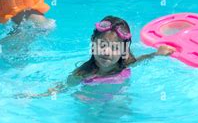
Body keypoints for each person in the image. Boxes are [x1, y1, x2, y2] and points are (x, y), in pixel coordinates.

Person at [16, 16, 175, 98]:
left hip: (116, 97)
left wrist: (156, 54)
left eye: (114, 48)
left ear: (124, 50)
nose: (106, 52)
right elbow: (64, 86)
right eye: (102, 45)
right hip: (91, 99)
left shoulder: (124, 63)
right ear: (93, 43)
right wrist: (38, 95)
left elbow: (139, 60)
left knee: (120, 105)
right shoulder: (85, 72)